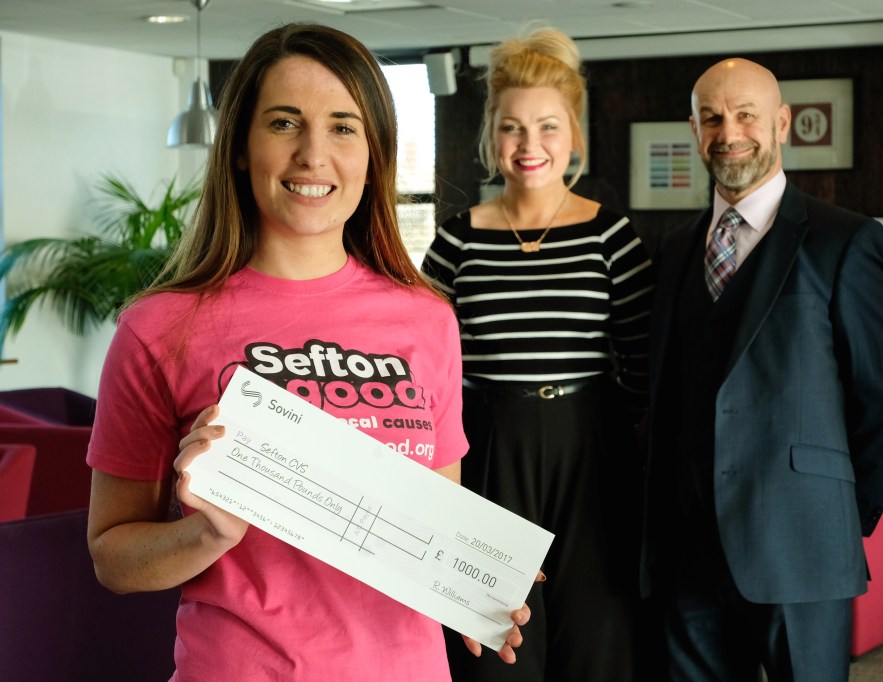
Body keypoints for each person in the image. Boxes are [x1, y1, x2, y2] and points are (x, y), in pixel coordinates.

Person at [85, 23, 530, 681]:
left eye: (343, 127)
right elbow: (113, 560)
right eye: (284, 123)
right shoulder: (160, 328)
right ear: (241, 148)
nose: (313, 154)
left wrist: (471, 589)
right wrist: (205, 534)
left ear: (375, 155)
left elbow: (437, 526)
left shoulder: (427, 319)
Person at [643, 57, 883, 681]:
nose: (729, 132)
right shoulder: (675, 249)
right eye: (712, 118)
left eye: (746, 115)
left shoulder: (842, 240)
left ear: (783, 123)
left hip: (803, 541)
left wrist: (839, 512)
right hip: (686, 550)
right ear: (694, 130)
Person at [421, 26, 654, 682]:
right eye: (512, 128)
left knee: (598, 642)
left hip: (594, 452)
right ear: (490, 136)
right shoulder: (456, 242)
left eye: (548, 127)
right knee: (499, 646)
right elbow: (426, 369)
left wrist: (610, 435)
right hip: (489, 449)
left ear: (573, 134)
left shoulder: (611, 236)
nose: (530, 145)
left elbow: (642, 365)